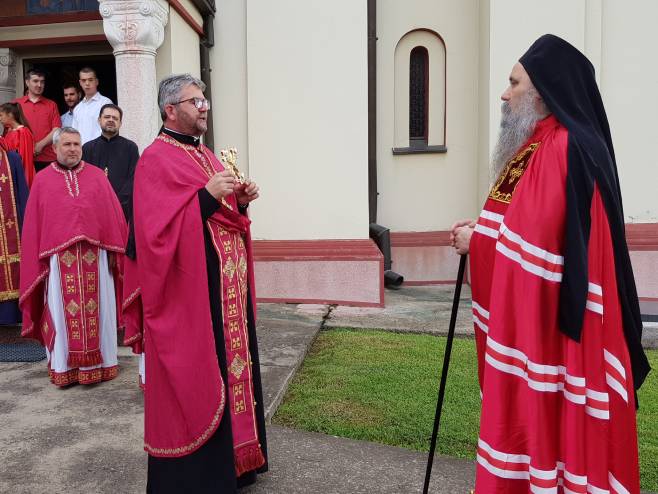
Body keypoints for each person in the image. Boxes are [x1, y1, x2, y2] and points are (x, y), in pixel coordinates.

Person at [451, 35, 650, 494]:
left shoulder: (562, 149)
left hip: (559, 336)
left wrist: (476, 241)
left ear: (541, 91)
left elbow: (535, 255)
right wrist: (481, 230)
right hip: (540, 331)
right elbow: (520, 223)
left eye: (513, 82)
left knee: (556, 436)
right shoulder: (539, 144)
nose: (504, 94)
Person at [122, 73, 268, 493]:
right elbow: (153, 235)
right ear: (171, 109)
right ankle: (203, 476)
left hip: (226, 293)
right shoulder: (155, 158)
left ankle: (239, 463)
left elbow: (222, 216)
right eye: (194, 101)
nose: (204, 107)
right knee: (205, 374)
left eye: (204, 100)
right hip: (193, 295)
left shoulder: (207, 154)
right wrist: (206, 196)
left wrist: (239, 198)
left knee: (236, 370)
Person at [19, 127, 127, 387]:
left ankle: (102, 365)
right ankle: (64, 367)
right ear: (55, 148)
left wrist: (114, 252)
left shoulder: (97, 176)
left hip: (97, 259)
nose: (72, 149)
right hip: (58, 262)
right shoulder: (43, 180)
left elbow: (113, 218)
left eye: (77, 144)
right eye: (67, 144)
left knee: (101, 308)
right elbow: (35, 227)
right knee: (58, 308)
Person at [82, 104, 139, 220]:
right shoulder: (87, 148)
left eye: (115, 118)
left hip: (122, 210)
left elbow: (134, 178)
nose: (111, 120)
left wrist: (117, 202)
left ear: (120, 123)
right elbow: (83, 179)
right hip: (94, 208)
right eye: (107, 117)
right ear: (99, 120)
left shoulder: (130, 148)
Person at [0, 137, 29, 324]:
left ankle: (9, 317)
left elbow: (23, 195)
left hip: (11, 226)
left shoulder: (11, 158)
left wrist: (27, 224)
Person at [11, 69, 61, 172]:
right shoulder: (16, 104)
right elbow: (11, 130)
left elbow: (56, 129)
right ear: (27, 82)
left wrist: (40, 145)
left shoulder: (51, 105)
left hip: (47, 158)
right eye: (35, 81)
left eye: (42, 82)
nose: (39, 85)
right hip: (22, 157)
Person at [71, 67, 112, 145]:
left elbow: (110, 130)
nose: (87, 83)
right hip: (82, 152)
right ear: (80, 83)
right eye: (84, 80)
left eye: (90, 80)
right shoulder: (77, 108)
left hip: (101, 150)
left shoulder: (105, 103)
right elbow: (74, 134)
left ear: (96, 81)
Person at [0, 103, 36, 187]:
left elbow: (23, 157)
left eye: (1, 115)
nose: (0, 119)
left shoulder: (23, 132)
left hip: (19, 173)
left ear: (10, 115)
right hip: (10, 171)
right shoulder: (10, 132)